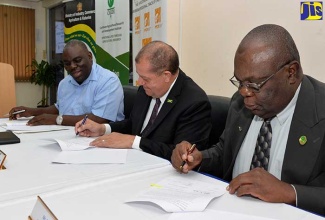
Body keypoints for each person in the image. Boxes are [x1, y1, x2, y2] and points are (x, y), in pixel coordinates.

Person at [171, 24, 325, 216]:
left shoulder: (320, 110)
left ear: (291, 73)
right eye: (240, 82)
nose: (244, 92)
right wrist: (199, 159)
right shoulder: (241, 103)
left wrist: (290, 192)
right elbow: (225, 153)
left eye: (254, 84)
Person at [75, 40, 212, 160]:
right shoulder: (147, 89)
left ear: (166, 75)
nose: (140, 82)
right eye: (139, 76)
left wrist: (133, 141)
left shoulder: (194, 102)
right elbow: (135, 124)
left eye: (145, 78)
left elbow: (182, 156)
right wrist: (103, 129)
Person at [9, 40, 124, 126]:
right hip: (68, 137)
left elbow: (99, 119)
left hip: (101, 143)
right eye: (67, 63)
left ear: (89, 57)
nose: (72, 66)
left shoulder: (108, 81)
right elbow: (60, 108)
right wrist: (32, 111)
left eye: (77, 60)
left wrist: (56, 119)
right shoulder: (65, 83)